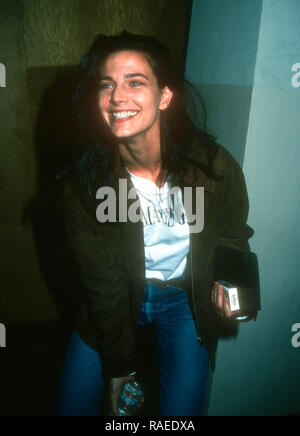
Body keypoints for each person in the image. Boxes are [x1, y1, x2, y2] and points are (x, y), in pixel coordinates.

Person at [55, 31, 254, 416]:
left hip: (182, 299)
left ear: (165, 97)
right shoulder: (82, 186)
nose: (117, 97)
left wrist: (231, 284)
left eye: (135, 82)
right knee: (70, 407)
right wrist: (120, 368)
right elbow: (102, 284)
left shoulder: (212, 168)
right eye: (106, 85)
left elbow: (233, 233)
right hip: (113, 298)